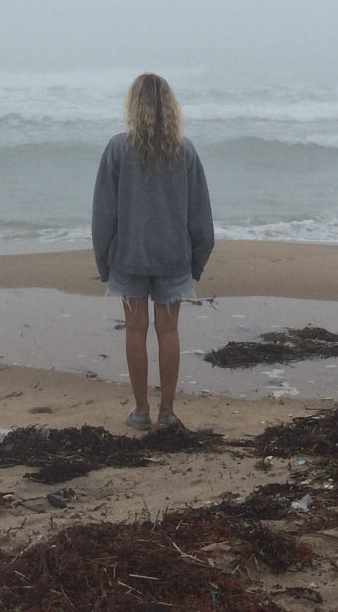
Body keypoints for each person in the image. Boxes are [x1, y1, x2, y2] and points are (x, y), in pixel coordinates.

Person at [92, 73, 214, 431]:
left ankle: (142, 410)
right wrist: (197, 260)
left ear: (134, 106)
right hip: (173, 255)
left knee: (135, 329)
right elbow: (200, 214)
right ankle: (168, 412)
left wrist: (104, 261)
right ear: (170, 108)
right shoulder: (185, 150)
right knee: (168, 330)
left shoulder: (117, 149)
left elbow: (104, 214)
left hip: (129, 255)